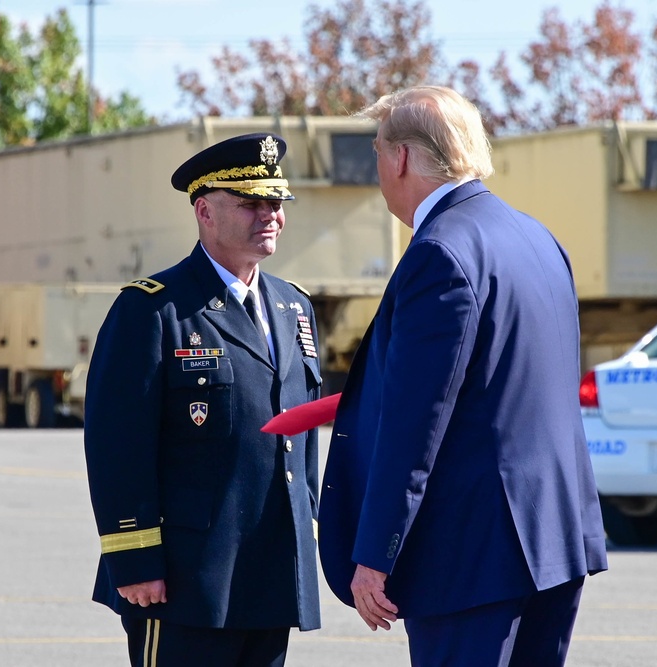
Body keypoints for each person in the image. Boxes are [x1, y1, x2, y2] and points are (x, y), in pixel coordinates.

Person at [317, 86, 608, 666]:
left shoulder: (440, 252)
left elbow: (415, 424)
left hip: (471, 556)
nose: (377, 167)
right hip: (553, 540)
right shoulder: (537, 238)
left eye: (376, 150)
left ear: (400, 157)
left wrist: (375, 555)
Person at [83, 133, 322, 667]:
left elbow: (300, 440)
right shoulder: (153, 310)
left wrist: (308, 536)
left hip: (270, 574)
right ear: (205, 211)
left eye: (276, 203)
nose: (271, 216)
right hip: (183, 579)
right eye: (251, 203)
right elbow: (117, 444)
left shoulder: (294, 307)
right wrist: (135, 555)